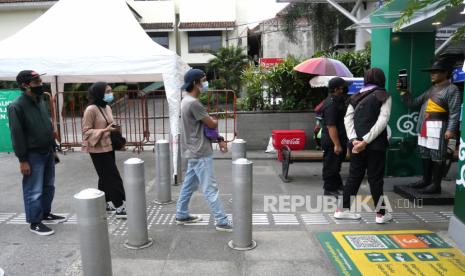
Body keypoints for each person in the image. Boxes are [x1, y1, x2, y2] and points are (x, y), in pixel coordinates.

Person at [8, 70, 67, 236]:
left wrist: (53, 148)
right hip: (32, 155)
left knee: (49, 186)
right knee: (34, 190)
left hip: (47, 150)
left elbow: (46, 126)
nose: (41, 84)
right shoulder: (16, 106)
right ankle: (35, 222)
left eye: (40, 81)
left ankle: (45, 213)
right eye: (36, 82)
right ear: (25, 85)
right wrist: (22, 160)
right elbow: (17, 135)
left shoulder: (40, 100)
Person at [176, 68, 232, 232]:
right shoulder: (193, 103)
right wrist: (214, 120)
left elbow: (204, 125)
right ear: (195, 83)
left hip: (192, 150)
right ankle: (221, 221)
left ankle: (181, 214)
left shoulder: (185, 100)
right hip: (200, 151)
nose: (206, 83)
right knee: (210, 187)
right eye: (204, 80)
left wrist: (219, 138)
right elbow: (211, 124)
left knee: (188, 185)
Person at [334, 68, 393, 224]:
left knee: (354, 176)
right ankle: (380, 214)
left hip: (355, 145)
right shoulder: (384, 95)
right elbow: (383, 121)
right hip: (375, 146)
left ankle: (342, 210)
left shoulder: (356, 96)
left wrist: (354, 140)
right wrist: (365, 141)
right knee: (375, 179)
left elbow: (347, 119)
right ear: (382, 79)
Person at [397, 58, 461, 194]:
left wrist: (451, 129)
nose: (432, 74)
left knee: (438, 155)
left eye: (436, 72)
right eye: (431, 72)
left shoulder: (452, 89)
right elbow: (413, 103)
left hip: (439, 127)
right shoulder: (431, 90)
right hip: (425, 126)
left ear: (445, 73)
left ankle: (436, 184)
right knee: (425, 154)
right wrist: (404, 92)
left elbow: (455, 112)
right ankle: (426, 180)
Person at [82, 82, 126, 218]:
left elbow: (108, 123)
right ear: (99, 93)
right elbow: (86, 131)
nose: (110, 94)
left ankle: (104, 203)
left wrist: (114, 131)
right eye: (107, 91)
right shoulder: (91, 110)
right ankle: (120, 206)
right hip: (97, 149)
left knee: (104, 176)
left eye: (110, 91)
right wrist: (105, 130)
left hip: (108, 146)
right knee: (113, 177)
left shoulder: (106, 107)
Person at [320, 77, 350, 196]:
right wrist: (337, 145)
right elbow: (331, 126)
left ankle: (337, 185)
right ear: (336, 89)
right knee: (331, 165)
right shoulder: (331, 104)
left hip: (338, 139)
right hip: (332, 140)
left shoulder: (338, 100)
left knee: (336, 164)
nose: (345, 89)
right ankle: (329, 189)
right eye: (343, 87)